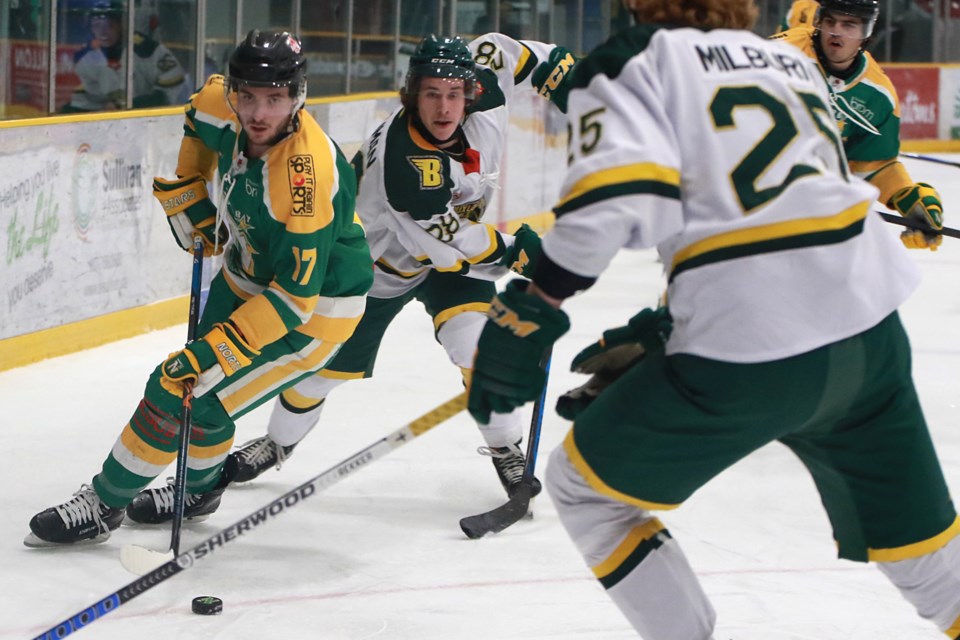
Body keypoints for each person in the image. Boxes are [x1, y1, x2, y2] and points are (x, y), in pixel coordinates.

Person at [466, 0, 959, 637]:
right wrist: (673, 323)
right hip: (871, 338)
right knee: (927, 556)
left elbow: (613, 201)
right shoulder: (787, 61)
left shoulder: (634, 59)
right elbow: (787, 213)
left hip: (749, 351)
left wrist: (538, 303)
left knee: (584, 489)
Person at [24, 30, 373, 545]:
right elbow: (198, 115)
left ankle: (103, 504)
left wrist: (220, 346)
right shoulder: (220, 100)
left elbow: (295, 298)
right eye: (248, 95)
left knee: (178, 383)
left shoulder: (305, 179)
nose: (257, 112)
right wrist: (192, 181)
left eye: (274, 98)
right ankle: (201, 491)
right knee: (205, 402)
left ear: (297, 97)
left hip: (314, 311)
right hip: (244, 274)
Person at [226, 33, 577, 500]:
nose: (444, 108)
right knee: (319, 373)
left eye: (454, 94)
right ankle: (277, 442)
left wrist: (583, 93)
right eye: (431, 94)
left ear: (472, 92)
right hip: (372, 270)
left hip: (447, 260)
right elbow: (453, 242)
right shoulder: (404, 164)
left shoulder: (484, 78)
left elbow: (514, 51)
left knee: (477, 352)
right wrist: (520, 252)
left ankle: (505, 447)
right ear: (412, 96)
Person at [772, 0, 944, 252]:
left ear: (866, 33)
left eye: (849, 25)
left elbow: (872, 163)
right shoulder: (780, 53)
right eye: (830, 21)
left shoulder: (878, 94)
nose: (836, 32)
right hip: (746, 199)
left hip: (809, 215)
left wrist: (907, 196)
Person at [63, 0, 186, 112]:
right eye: (96, 25)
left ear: (122, 25)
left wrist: (131, 106)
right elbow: (85, 101)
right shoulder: (86, 57)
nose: (103, 32)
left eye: (109, 25)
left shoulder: (146, 50)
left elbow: (170, 92)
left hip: (148, 122)